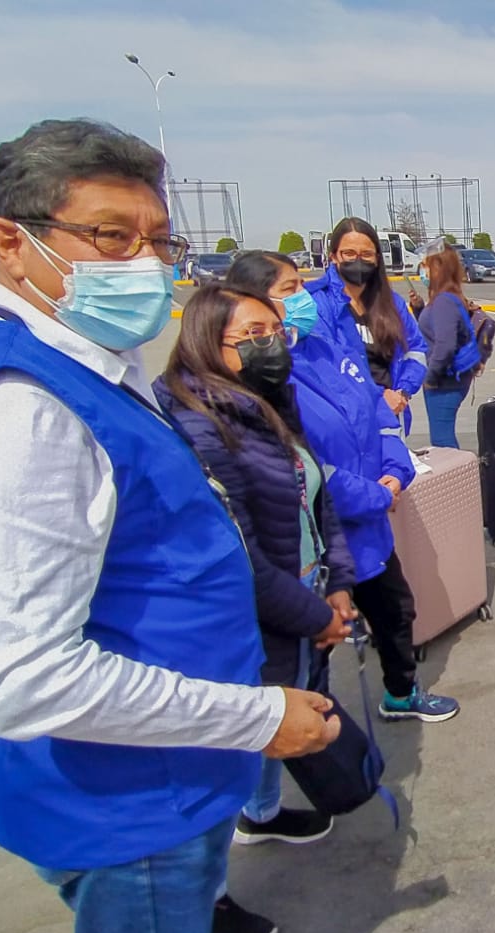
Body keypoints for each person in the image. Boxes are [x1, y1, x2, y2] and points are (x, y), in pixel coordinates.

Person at [0, 118, 336, 933]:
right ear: (9, 242)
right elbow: (25, 677)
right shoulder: (14, 416)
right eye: (109, 235)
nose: (143, 262)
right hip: (128, 801)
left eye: (157, 240)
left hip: (162, 770)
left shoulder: (79, 360)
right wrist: (254, 718)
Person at [155, 283, 357, 851]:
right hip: (265, 611)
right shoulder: (201, 425)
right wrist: (315, 616)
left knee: (284, 711)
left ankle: (262, 814)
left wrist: (337, 583)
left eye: (275, 332)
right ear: (205, 343)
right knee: (242, 734)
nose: (272, 344)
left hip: (307, 595)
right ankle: (211, 888)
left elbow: (315, 498)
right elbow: (242, 558)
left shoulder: (267, 402)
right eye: (252, 335)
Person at [234, 250, 460, 726]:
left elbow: (375, 411)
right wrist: (377, 495)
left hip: (371, 524)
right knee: (314, 646)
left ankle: (400, 694)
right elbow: (309, 468)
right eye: (290, 289)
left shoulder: (327, 345)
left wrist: (397, 471)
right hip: (323, 535)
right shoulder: (267, 375)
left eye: (301, 285)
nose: (305, 296)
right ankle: (312, 737)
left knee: (396, 612)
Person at [306, 218, 428, 432]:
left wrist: (402, 391)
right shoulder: (319, 304)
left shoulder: (392, 303)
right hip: (345, 424)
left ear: (377, 258)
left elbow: (416, 350)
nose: (358, 260)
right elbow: (326, 367)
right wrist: (378, 398)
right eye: (349, 253)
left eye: (366, 254)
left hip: (391, 418)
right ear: (334, 256)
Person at [415, 246, 476, 448]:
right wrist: (419, 309)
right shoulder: (444, 298)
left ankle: (457, 478)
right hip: (447, 379)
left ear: (438, 268)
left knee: (442, 440)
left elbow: (445, 345)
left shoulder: (444, 302)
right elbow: (435, 332)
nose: (422, 270)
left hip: (445, 382)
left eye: (425, 266)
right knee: (442, 438)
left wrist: (431, 378)